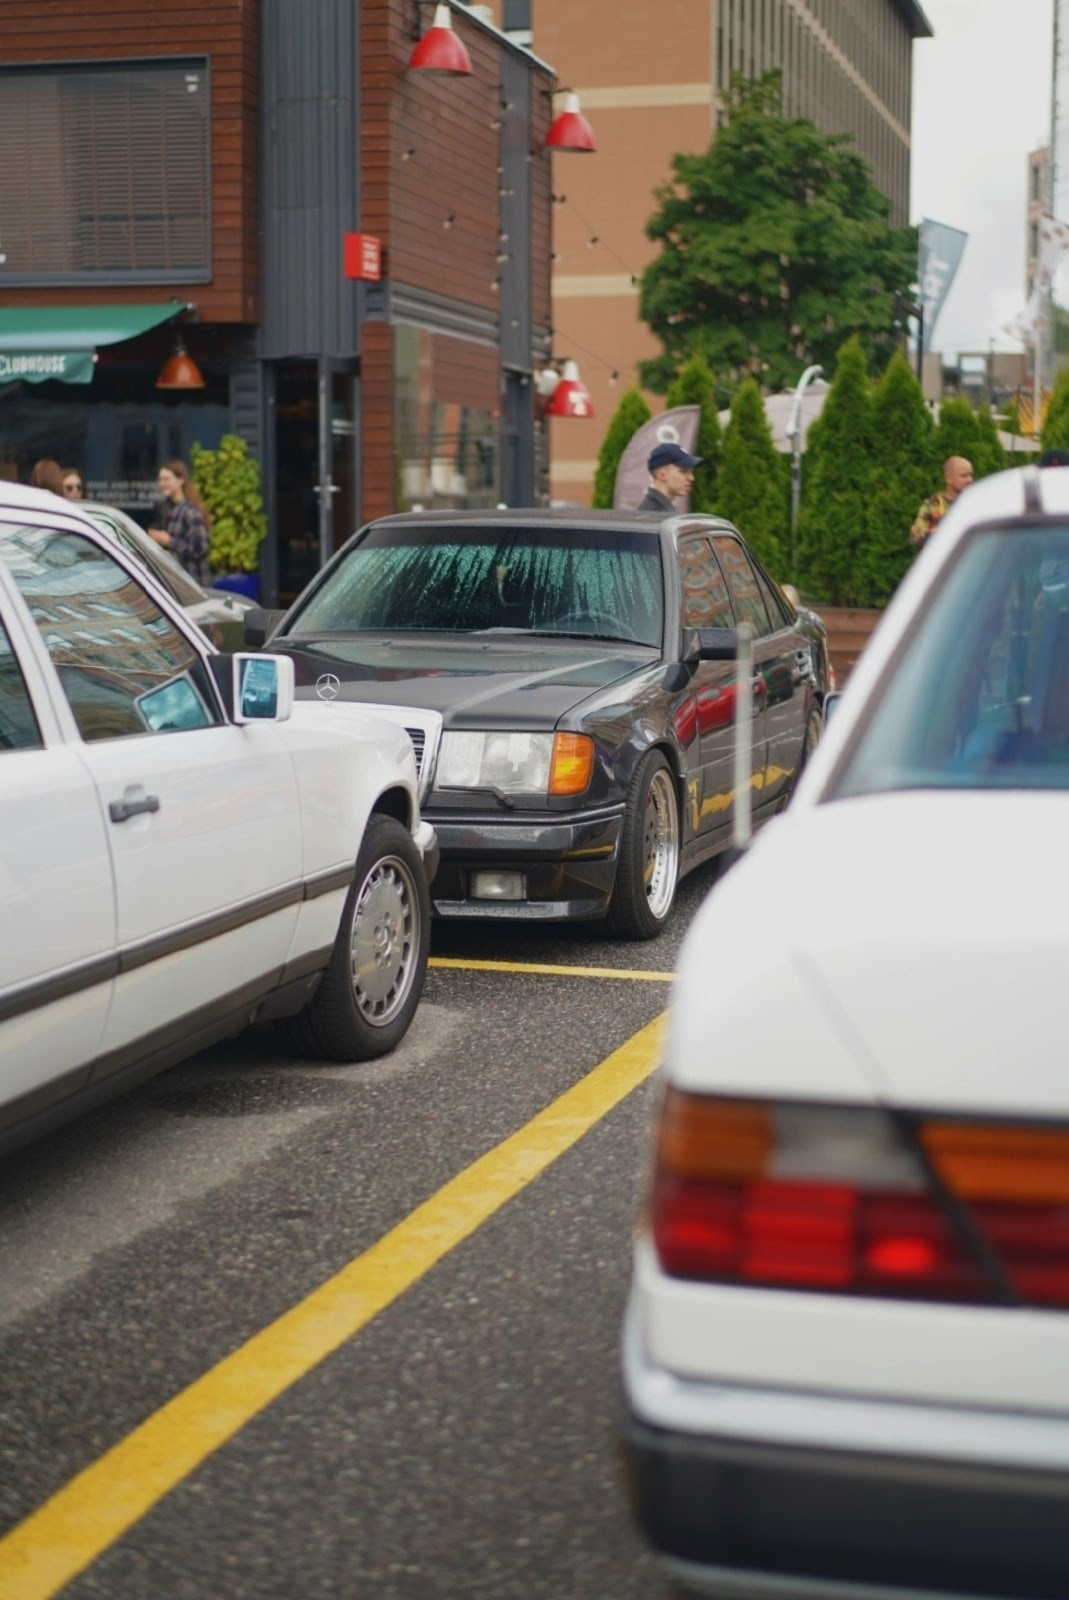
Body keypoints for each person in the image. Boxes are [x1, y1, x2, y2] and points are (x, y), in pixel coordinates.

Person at [147, 459, 212, 584]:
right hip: (180, 584)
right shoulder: (170, 509)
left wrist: (168, 541)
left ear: (181, 480)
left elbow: (200, 549)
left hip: (195, 585)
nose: (162, 483)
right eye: (160, 479)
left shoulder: (190, 512)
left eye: (166, 479)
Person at [909, 455, 974, 552]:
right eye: (964, 475)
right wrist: (934, 535)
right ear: (948, 478)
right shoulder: (933, 504)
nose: (969, 480)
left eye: (970, 475)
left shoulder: (976, 503)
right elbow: (915, 536)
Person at [638, 441, 703, 512]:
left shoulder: (657, 510)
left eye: (690, 472)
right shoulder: (655, 514)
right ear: (662, 475)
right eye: (683, 471)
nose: (691, 478)